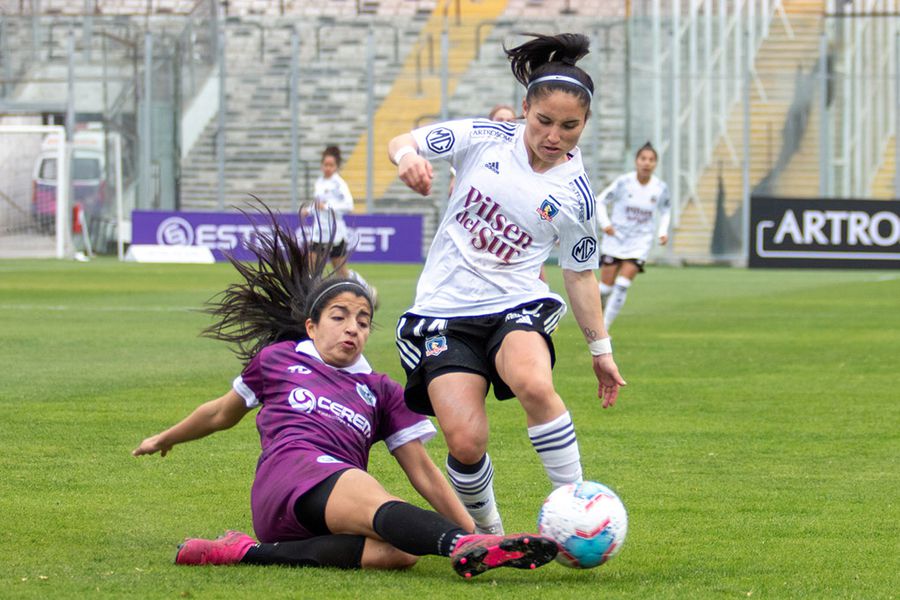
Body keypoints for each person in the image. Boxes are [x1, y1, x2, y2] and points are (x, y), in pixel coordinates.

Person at [132, 204, 558, 579]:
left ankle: (245, 552)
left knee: (401, 553)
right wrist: (166, 437)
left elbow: (423, 471)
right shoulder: (279, 359)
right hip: (288, 478)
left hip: (330, 506)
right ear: (312, 326)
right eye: (339, 317)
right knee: (369, 493)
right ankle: (461, 547)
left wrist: (473, 527)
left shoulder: (381, 389)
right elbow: (219, 413)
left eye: (363, 321)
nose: (352, 328)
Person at [387, 33, 626, 536]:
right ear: (524, 110)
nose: (554, 136)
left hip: (516, 303)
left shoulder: (577, 197)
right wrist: (406, 158)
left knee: (533, 382)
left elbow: (579, 274)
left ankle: (578, 509)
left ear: (585, 123)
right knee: (465, 441)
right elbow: (402, 141)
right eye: (544, 121)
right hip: (443, 311)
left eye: (569, 126)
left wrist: (600, 350)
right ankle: (491, 534)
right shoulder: (483, 137)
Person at [596, 142, 671, 329]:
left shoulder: (660, 188)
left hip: (639, 241)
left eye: (651, 160)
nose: (647, 163)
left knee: (622, 285)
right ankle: (596, 318)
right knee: (604, 288)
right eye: (643, 159)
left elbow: (665, 211)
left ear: (655, 164)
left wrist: (662, 232)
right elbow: (600, 201)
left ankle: (604, 328)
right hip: (616, 238)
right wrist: (605, 224)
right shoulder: (624, 182)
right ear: (636, 161)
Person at [308, 145, 378, 306]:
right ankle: (314, 301)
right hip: (319, 232)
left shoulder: (339, 184)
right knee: (312, 268)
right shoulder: (319, 182)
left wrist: (327, 207)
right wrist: (309, 210)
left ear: (336, 167)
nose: (327, 168)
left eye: (331, 165)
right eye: (325, 164)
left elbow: (348, 205)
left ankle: (367, 290)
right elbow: (318, 205)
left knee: (341, 273)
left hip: (335, 234)